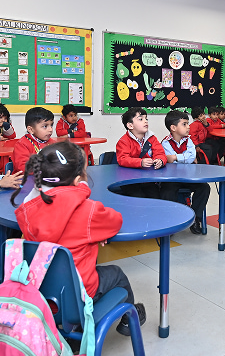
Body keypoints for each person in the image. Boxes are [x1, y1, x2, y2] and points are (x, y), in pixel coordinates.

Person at [11, 141, 146, 336]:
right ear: (77, 180)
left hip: (39, 292)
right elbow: (115, 221)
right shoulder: (87, 210)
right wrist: (82, 193)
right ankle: (128, 321)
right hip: (78, 296)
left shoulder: (27, 208)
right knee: (116, 274)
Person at [160, 110, 211, 235]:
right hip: (172, 179)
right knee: (167, 192)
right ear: (173, 128)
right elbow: (176, 160)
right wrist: (185, 158)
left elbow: (191, 156)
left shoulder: (189, 140)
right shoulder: (165, 142)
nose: (188, 127)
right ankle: (170, 222)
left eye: (188, 123)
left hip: (188, 177)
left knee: (204, 188)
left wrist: (175, 157)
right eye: (184, 124)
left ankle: (195, 218)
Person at [115, 107, 167, 199]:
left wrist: (160, 160)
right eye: (141, 119)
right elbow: (122, 159)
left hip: (148, 178)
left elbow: (160, 153)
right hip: (130, 180)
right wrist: (140, 162)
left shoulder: (152, 138)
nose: (145, 121)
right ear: (130, 125)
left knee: (155, 197)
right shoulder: (123, 141)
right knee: (138, 198)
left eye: (146, 119)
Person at [12, 106, 55, 173]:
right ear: (31, 130)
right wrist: (46, 169)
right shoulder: (22, 144)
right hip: (26, 178)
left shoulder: (52, 143)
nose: (50, 129)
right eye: (45, 126)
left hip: (46, 177)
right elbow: (22, 167)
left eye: (51, 125)